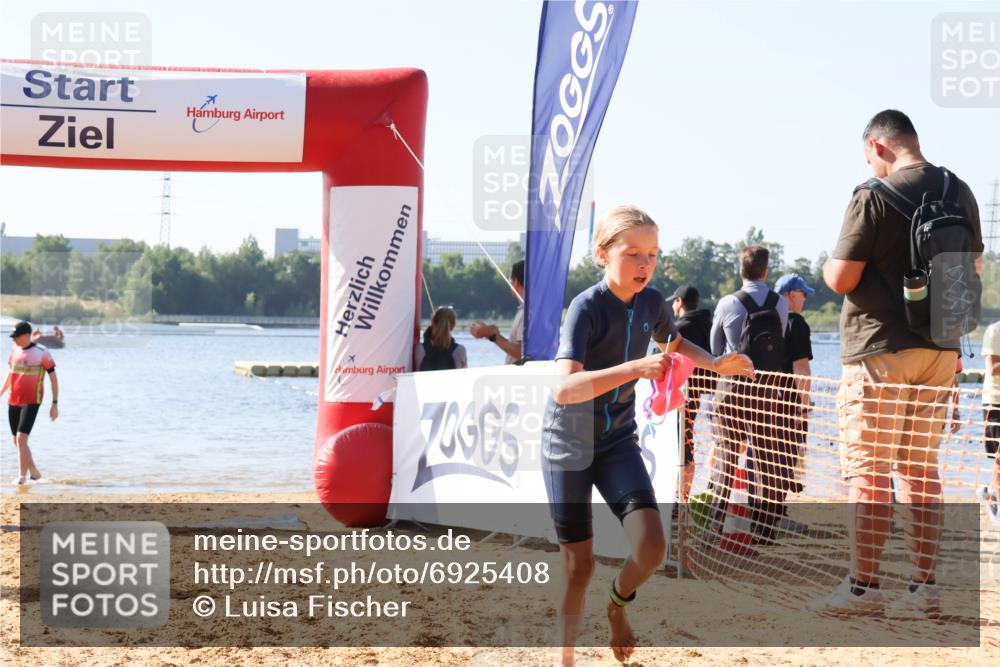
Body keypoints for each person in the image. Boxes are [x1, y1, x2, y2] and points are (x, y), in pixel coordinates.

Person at [542, 205, 752, 666]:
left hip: (617, 442)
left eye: (652, 254)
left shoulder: (653, 302)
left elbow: (673, 343)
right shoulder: (585, 308)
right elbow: (564, 388)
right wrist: (635, 368)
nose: (645, 264)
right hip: (568, 445)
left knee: (653, 547)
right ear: (603, 254)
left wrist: (715, 362)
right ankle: (565, 660)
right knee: (579, 566)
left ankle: (617, 605)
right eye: (633, 253)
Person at [816, 109, 983, 617]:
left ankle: (863, 590)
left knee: (868, 470)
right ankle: (923, 590)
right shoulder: (959, 190)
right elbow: (972, 266)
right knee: (921, 469)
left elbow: (842, 279)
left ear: (878, 146)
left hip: (879, 348)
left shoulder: (872, 194)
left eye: (869, 155)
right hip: (941, 348)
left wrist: (828, 265)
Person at [709, 244, 791, 544]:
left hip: (732, 387)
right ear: (766, 271)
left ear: (740, 270)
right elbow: (781, 340)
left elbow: (715, 349)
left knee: (728, 457)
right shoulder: (781, 303)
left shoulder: (727, 303)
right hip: (767, 389)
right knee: (767, 459)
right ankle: (765, 530)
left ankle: (715, 526)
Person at [667, 285, 716, 501]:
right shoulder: (707, 325)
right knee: (687, 443)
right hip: (699, 392)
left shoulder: (680, 328)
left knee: (679, 446)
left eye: (674, 301)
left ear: (680, 302)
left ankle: (679, 499)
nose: (672, 306)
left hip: (678, 394)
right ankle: (683, 497)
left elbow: (659, 355)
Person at [0, 321, 59, 484]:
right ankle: (34, 473)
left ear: (27, 336)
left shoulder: (42, 352)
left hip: (32, 400)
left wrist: (54, 404)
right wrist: (1, 393)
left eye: (16, 336)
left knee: (21, 438)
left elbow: (53, 379)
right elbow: (11, 374)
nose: (14, 339)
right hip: (13, 400)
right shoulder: (15, 350)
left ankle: (21, 477)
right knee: (17, 440)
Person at [775, 273, 815, 497]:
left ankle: (767, 506)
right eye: (803, 294)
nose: (805, 299)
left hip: (766, 399)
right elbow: (801, 366)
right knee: (789, 457)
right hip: (790, 402)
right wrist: (804, 405)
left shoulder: (769, 320)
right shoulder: (796, 323)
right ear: (791, 295)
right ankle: (780, 506)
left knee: (769, 457)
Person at [470, 260, 525, 364]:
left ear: (516, 282)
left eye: (511, 280)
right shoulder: (530, 311)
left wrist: (493, 336)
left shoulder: (526, 313)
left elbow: (521, 352)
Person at [980, 320, 1000, 522]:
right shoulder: (994, 331)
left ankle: (990, 491)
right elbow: (993, 368)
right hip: (995, 402)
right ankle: (993, 496)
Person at [414, 307, 468, 371]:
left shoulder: (420, 348)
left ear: (433, 323)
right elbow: (465, 374)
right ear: (453, 325)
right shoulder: (460, 350)